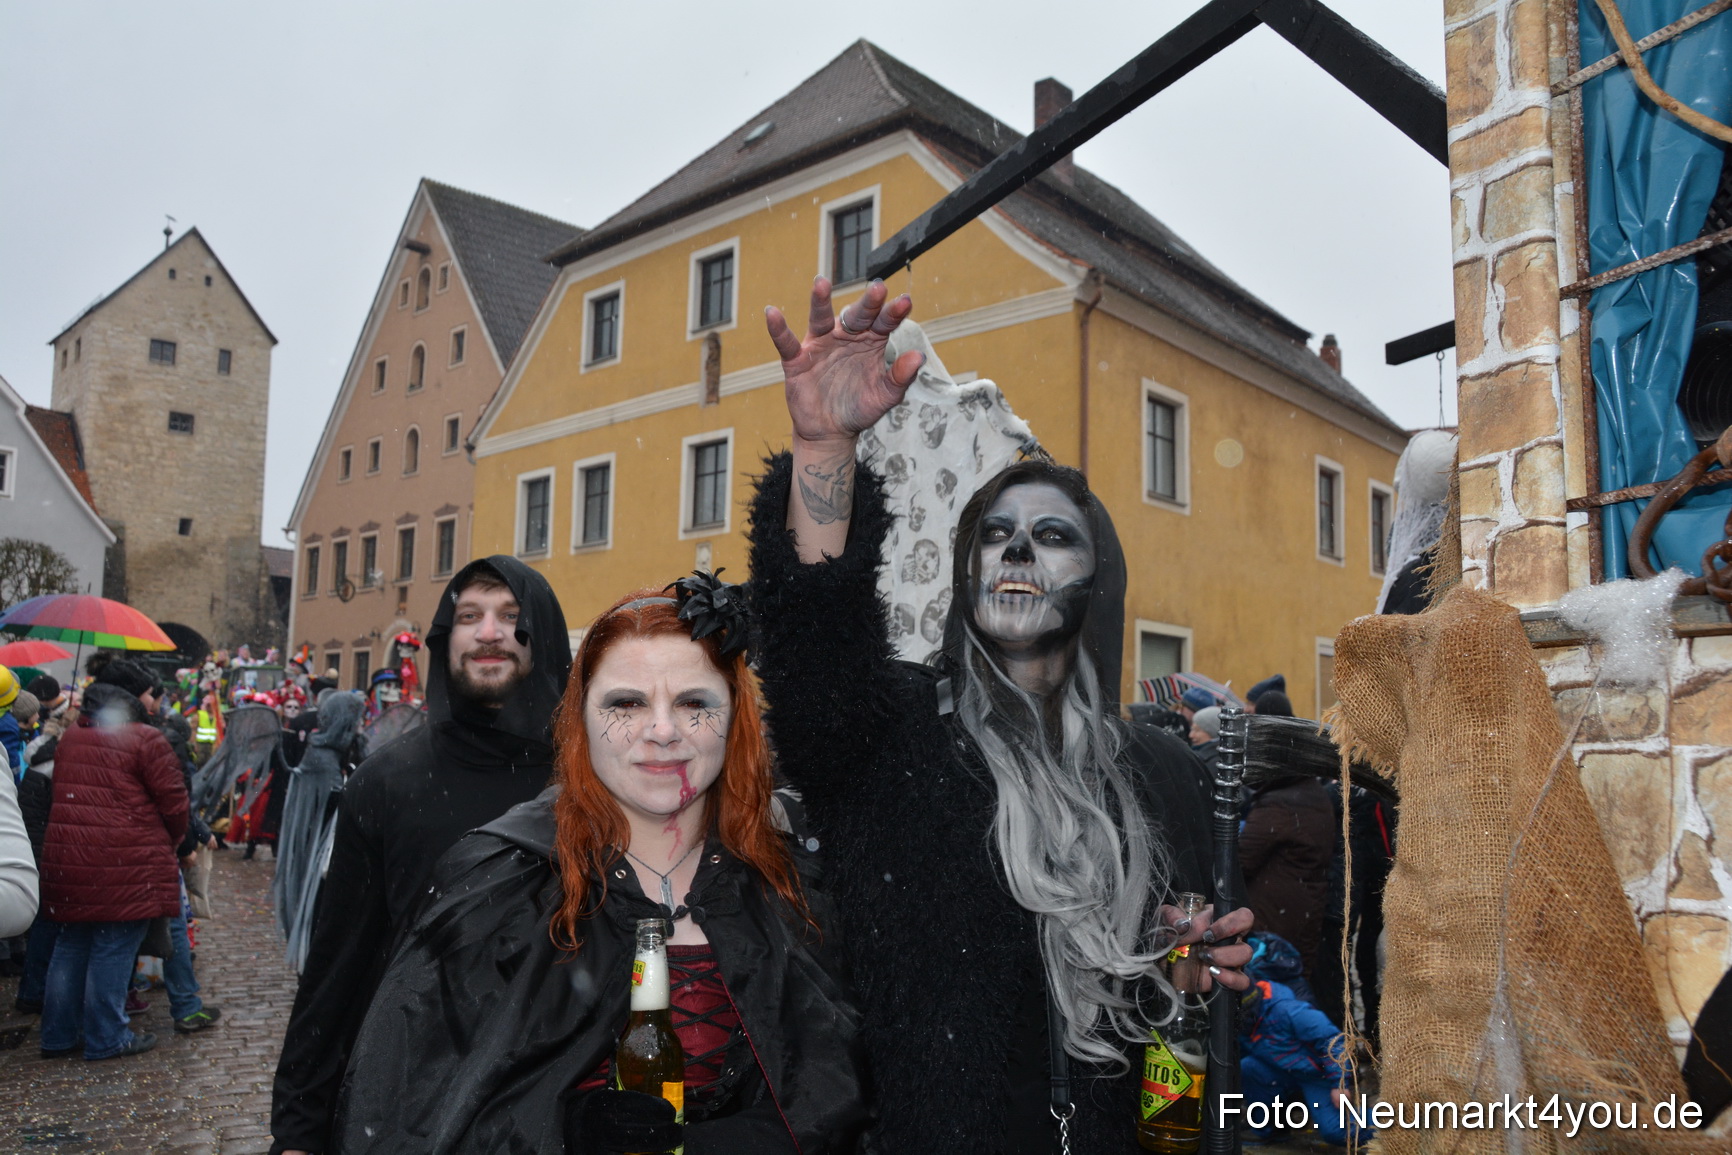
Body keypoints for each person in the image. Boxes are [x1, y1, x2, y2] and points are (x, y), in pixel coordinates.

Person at [749, 277, 1253, 1152]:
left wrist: (1194, 970)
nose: (1018, 547)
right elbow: (817, 655)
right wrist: (824, 446)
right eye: (995, 531)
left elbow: (1181, 1008)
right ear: (967, 572)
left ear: (1097, 584)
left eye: (1055, 535)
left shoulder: (1163, 775)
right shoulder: (896, 745)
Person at [331, 585, 869, 1153]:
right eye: (625, 704)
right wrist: (559, 1127)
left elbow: (845, 1089)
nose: (662, 731)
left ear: (734, 716)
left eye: (694, 703)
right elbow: (415, 1109)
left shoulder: (793, 879)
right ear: (580, 719)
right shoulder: (499, 879)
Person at [271, 556, 573, 1155]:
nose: (489, 631)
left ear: (545, 635)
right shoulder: (388, 780)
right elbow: (337, 968)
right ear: (445, 637)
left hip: (559, 1099)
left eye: (511, 615)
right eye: (469, 615)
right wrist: (298, 1129)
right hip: (408, 1100)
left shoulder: (594, 778)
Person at [37, 658, 187, 1060]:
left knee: (71, 945)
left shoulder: (73, 735)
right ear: (131, 695)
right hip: (123, 861)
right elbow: (174, 805)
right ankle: (108, 1036)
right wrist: (172, 839)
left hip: (71, 857)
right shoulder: (145, 738)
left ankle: (58, 1034)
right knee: (113, 948)